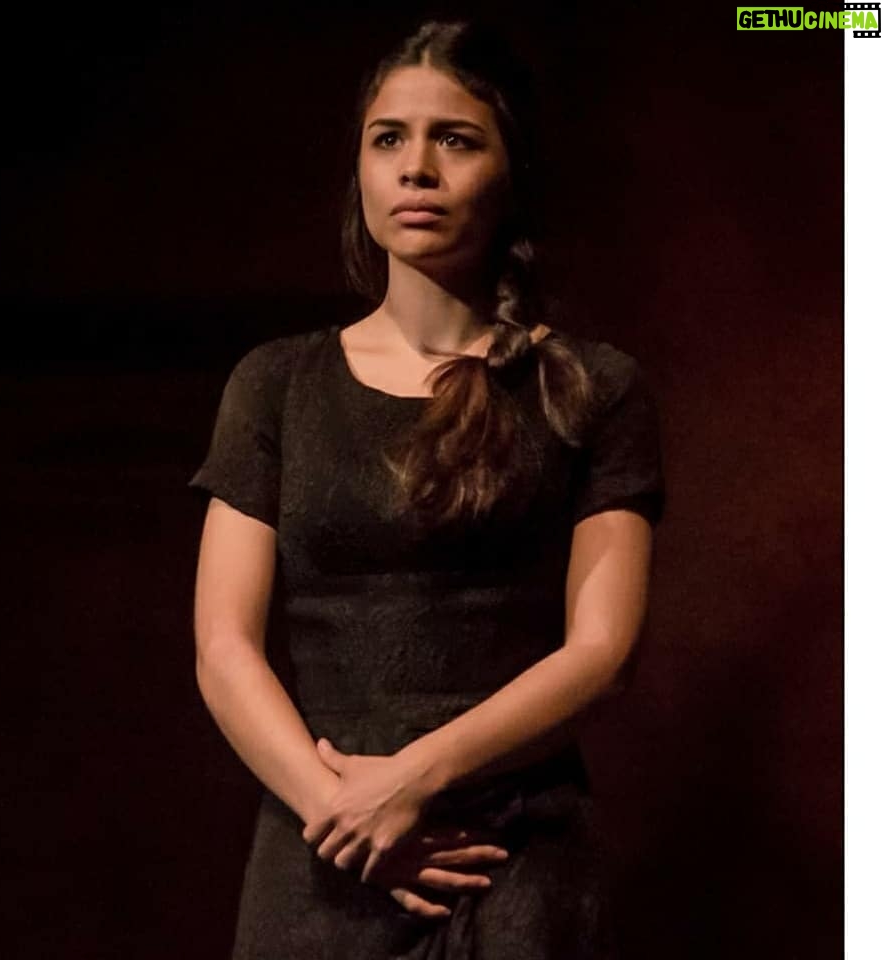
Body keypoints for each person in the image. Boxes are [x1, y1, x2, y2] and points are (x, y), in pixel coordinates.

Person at [188, 18, 665, 959]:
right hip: (321, 855)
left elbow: (603, 650)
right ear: (360, 171)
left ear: (511, 172)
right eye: (388, 139)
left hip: (507, 858)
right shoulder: (276, 384)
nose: (416, 168)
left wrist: (413, 781)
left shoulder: (592, 387)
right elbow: (223, 644)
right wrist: (342, 811)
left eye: (455, 139)